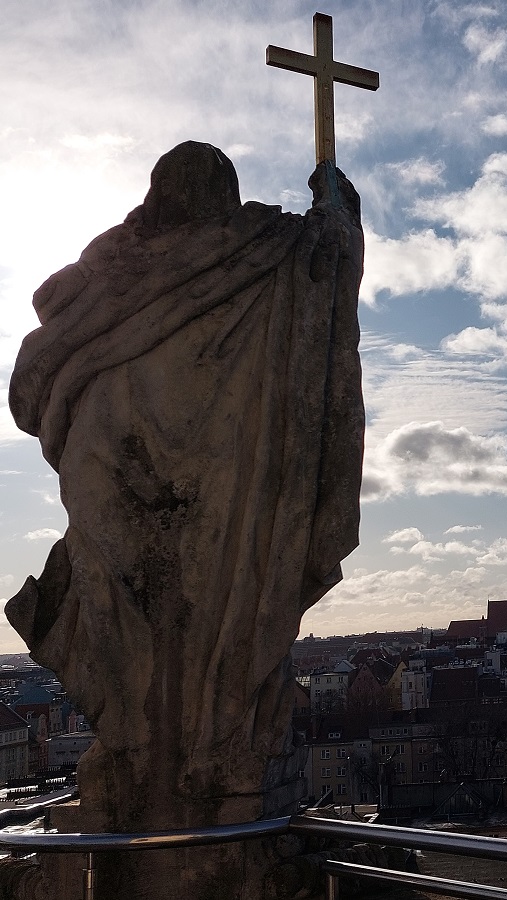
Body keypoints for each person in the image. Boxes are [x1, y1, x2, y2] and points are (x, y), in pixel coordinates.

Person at [7, 141, 364, 834]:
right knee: (200, 609)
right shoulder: (257, 250)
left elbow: (46, 374)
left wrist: (332, 222)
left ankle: (152, 750)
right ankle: (191, 750)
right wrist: (337, 212)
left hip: (110, 473)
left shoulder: (112, 271)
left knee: (123, 607)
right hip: (201, 493)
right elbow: (320, 260)